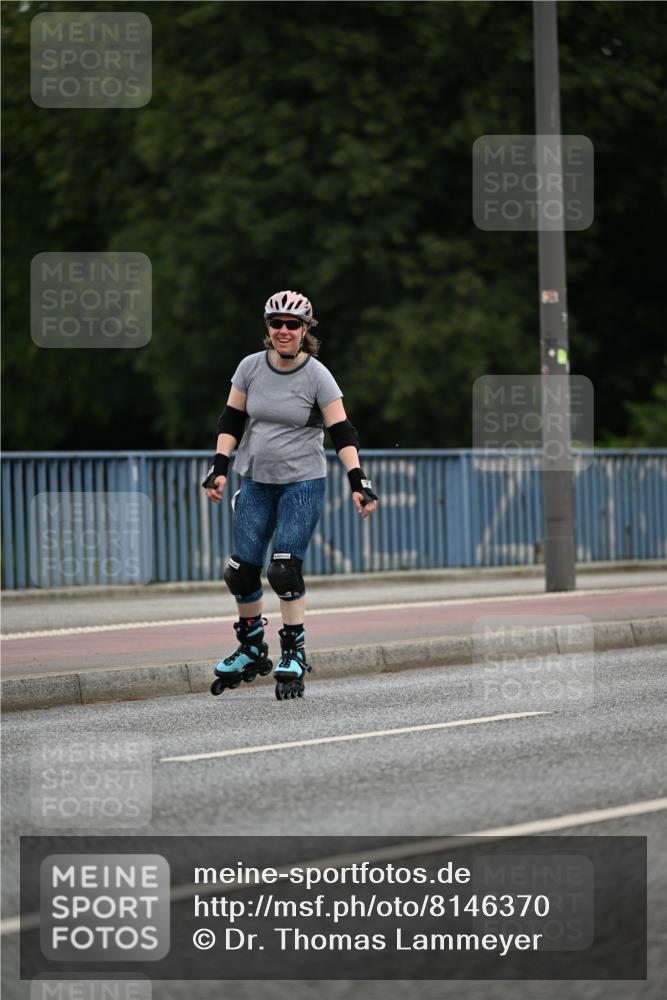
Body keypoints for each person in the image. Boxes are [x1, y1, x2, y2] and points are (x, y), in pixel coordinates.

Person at [203, 290, 378, 701]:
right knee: (241, 572)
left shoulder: (318, 375)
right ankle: (250, 647)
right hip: (256, 481)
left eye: (292, 325)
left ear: (305, 331)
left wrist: (359, 480)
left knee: (283, 570)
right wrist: (219, 466)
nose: (283, 331)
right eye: (276, 323)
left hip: (303, 481)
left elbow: (342, 431)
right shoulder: (249, 368)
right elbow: (232, 418)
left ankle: (294, 653)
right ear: (268, 328)